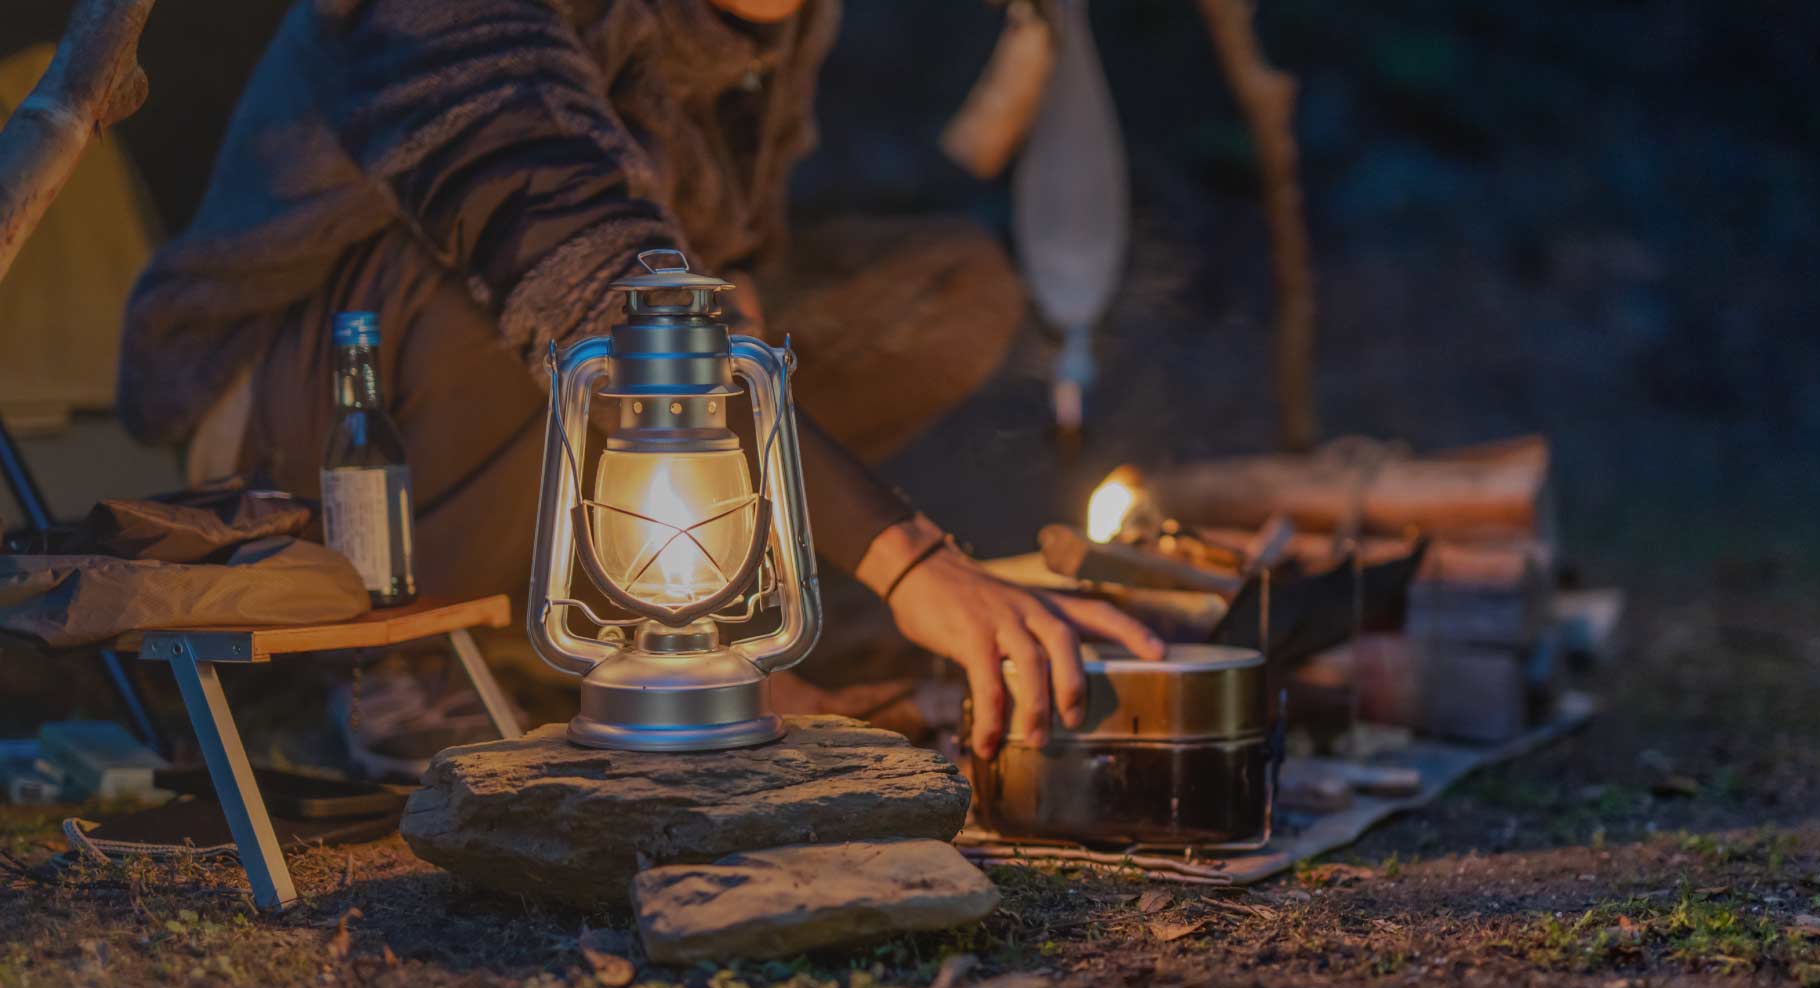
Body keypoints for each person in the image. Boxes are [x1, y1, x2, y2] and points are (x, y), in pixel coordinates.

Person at [116, 0, 1161, 760]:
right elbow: (587, 282)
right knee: (573, 311)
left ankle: (684, 618)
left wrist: (738, 293)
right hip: (306, 410)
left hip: (575, 369)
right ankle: (404, 669)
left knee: (948, 286)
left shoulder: (776, 23)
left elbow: (720, 259)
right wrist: (912, 562)